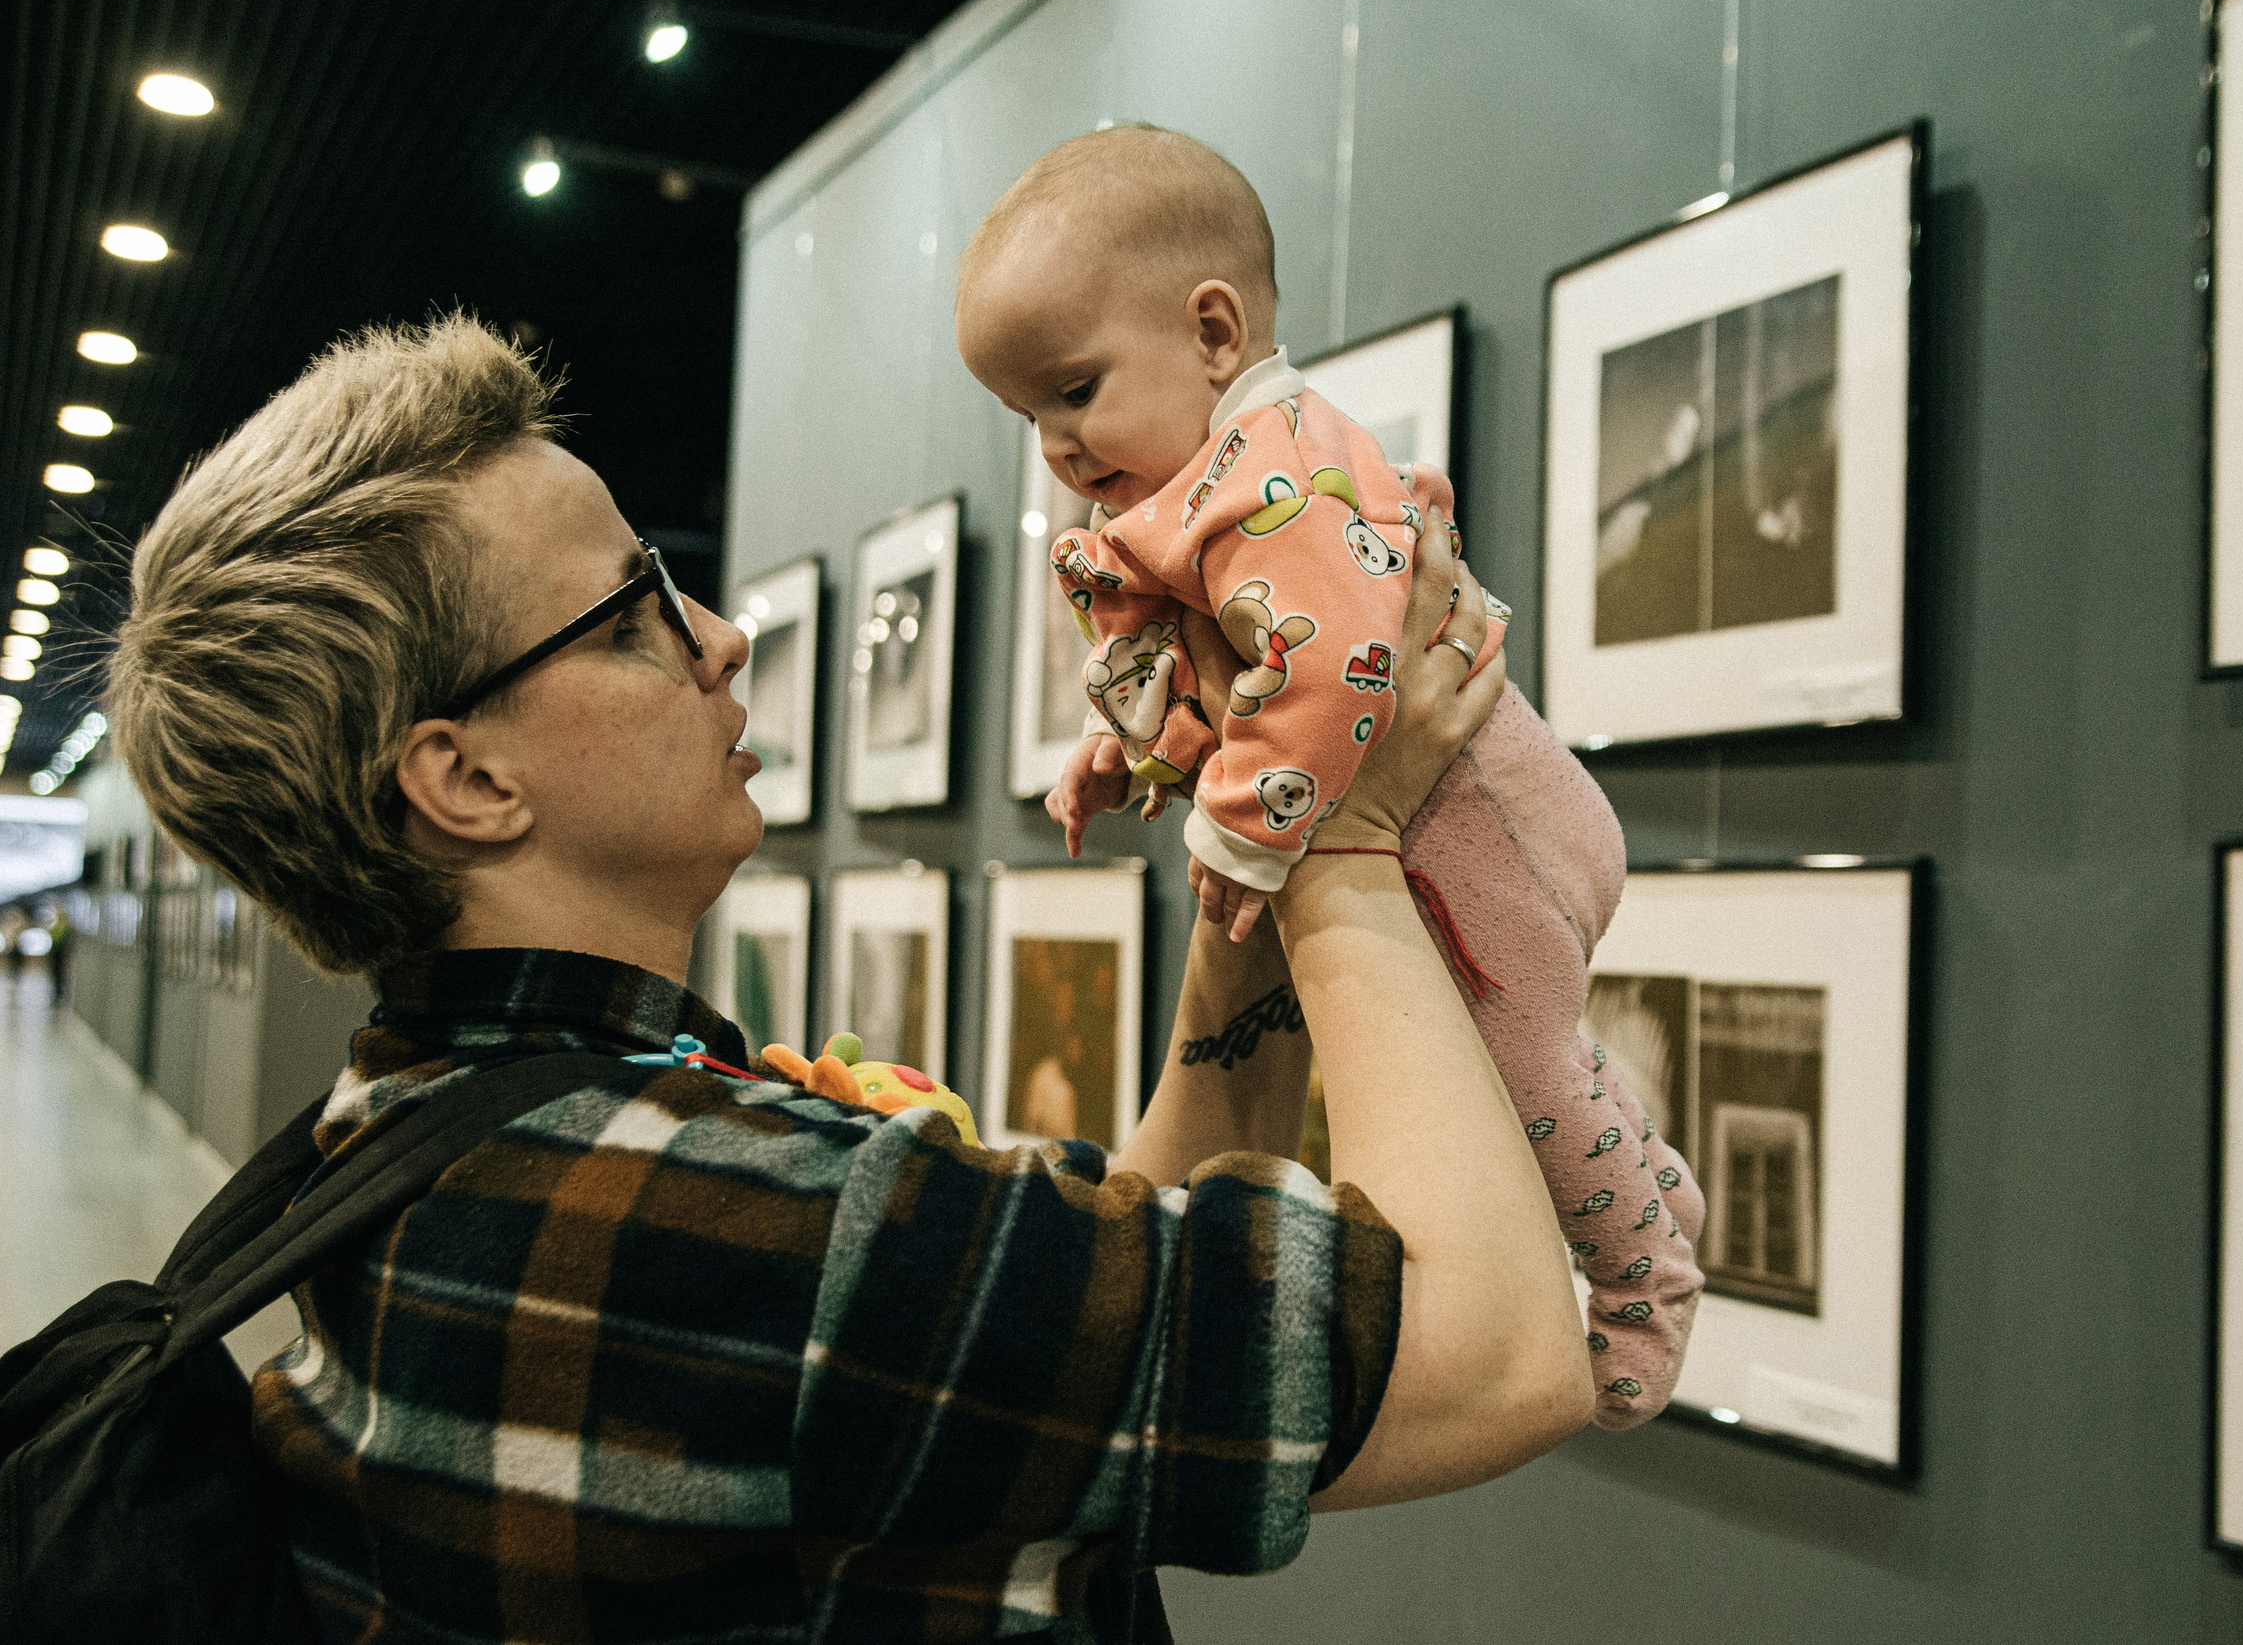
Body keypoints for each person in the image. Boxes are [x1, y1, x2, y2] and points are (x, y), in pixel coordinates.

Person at [104, 315, 1588, 1644]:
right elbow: (1497, 1353)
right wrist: (1347, 831)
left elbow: (1098, 1288)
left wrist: (1247, 855)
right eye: (630, 614)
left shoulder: (414, 1133)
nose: (721, 637)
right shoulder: (731, 1224)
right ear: (467, 777)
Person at [955, 124, 1704, 1422]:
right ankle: (1658, 1181)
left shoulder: (1280, 476)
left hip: (1493, 832)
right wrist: (1123, 749)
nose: (1059, 449)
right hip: (1435, 831)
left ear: (1212, 331)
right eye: (1029, 417)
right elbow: (1218, 676)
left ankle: (1646, 1271)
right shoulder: (1198, 492)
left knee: (1522, 1065)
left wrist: (1240, 835)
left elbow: (1335, 663)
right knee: (1522, 1052)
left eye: (1073, 391)